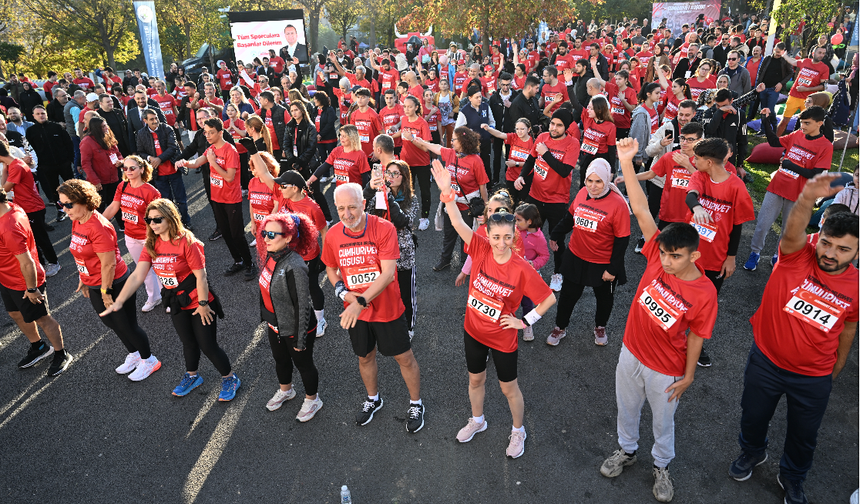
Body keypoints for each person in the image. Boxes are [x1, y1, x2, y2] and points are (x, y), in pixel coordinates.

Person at [600, 137, 718, 503]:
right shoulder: (655, 255)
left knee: (663, 424)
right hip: (631, 352)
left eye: (675, 256)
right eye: (663, 253)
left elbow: (697, 334)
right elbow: (639, 208)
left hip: (666, 370)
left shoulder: (704, 293)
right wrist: (626, 162)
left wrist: (689, 375)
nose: (665, 261)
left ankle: (662, 465)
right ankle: (627, 450)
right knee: (627, 409)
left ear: (695, 256)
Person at [729, 174, 858, 504]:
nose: (831, 253)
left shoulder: (856, 285)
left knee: (804, 436)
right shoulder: (797, 255)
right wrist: (806, 199)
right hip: (766, 362)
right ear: (819, 235)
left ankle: (792, 477)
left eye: (844, 249)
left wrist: (838, 364)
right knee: (753, 416)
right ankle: (752, 452)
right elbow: (792, 232)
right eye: (827, 243)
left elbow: (847, 328)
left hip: (813, 376)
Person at [430, 159, 555, 458]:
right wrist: (448, 194)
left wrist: (524, 322)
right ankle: (477, 420)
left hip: (502, 337)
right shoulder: (481, 247)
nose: (500, 244)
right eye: (496, 237)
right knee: (475, 379)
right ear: (488, 234)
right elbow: (459, 224)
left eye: (507, 238)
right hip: (473, 330)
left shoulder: (522, 268)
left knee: (508, 388)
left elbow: (549, 299)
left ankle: (518, 431)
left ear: (515, 237)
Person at [103, 199, 241, 401]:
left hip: (199, 301)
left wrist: (203, 305)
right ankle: (192, 376)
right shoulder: (152, 243)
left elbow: (201, 277)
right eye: (148, 219)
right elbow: (137, 276)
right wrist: (119, 300)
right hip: (177, 302)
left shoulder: (187, 242)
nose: (152, 224)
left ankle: (230, 378)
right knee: (188, 343)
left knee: (208, 345)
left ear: (170, 218)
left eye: (157, 219)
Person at [322, 183, 425, 433]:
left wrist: (359, 302)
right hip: (356, 311)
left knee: (403, 357)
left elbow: (389, 273)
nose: (347, 214)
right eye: (341, 208)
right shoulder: (334, 235)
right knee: (365, 356)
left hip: (386, 309)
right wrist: (341, 291)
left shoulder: (384, 228)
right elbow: (330, 268)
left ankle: (416, 403)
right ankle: (373, 399)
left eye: (352, 207)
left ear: (364, 204)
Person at [58, 179, 160, 381]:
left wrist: (106, 292)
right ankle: (135, 354)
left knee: (127, 325)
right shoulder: (76, 220)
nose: (65, 209)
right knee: (110, 322)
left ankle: (149, 360)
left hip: (114, 283)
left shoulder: (99, 227)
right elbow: (79, 252)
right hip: (94, 282)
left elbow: (108, 264)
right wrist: (83, 277)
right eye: (61, 204)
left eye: (69, 204)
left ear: (84, 201)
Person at [685, 138, 755, 367]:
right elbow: (690, 195)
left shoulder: (736, 187)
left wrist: (731, 258)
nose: (693, 162)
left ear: (707, 161)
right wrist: (697, 207)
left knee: (705, 305)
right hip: (689, 254)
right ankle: (673, 338)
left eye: (696, 159)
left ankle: (696, 344)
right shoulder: (701, 176)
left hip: (716, 259)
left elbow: (737, 226)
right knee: (679, 296)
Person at [547, 158, 630, 347]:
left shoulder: (618, 204)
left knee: (604, 298)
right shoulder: (582, 192)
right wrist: (555, 235)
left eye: (598, 181)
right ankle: (560, 327)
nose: (593, 186)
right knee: (568, 296)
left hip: (602, 263)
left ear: (606, 180)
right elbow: (570, 218)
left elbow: (622, 240)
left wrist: (613, 269)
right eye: (589, 181)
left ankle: (600, 326)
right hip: (576, 257)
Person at [743, 106, 833, 271]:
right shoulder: (798, 134)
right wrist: (765, 120)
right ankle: (754, 253)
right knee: (763, 223)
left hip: (799, 194)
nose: (802, 126)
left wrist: (790, 165)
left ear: (820, 123)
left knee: (788, 229)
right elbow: (774, 142)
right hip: (777, 186)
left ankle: (779, 255)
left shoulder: (826, 145)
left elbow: (815, 173)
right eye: (801, 122)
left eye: (807, 123)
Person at [254, 212, 323, 421]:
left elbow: (303, 305)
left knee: (304, 364)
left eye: (272, 234)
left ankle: (313, 400)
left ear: (289, 238)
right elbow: (265, 290)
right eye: (264, 232)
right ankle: (287, 390)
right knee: (280, 360)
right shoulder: (271, 255)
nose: (265, 238)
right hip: (275, 325)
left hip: (296, 328)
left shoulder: (295, 265)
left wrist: (300, 340)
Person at [0, 188, 72, 376]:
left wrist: (32, 289)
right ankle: (39, 347)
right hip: (7, 279)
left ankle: (61, 353)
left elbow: (27, 262)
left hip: (24, 282)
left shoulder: (9, 226)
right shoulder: (11, 207)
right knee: (15, 313)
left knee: (42, 318)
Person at [176, 118, 257, 280]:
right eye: (206, 132)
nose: (207, 135)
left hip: (231, 199)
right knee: (226, 233)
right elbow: (198, 162)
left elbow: (229, 177)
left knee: (237, 234)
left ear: (220, 133)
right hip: (217, 198)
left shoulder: (230, 150)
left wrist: (213, 162)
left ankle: (250, 264)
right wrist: (185, 162)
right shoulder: (210, 149)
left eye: (211, 132)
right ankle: (238, 261)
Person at [513, 109, 580, 292]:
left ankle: (558, 274)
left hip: (557, 201)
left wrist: (547, 153)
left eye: (559, 125)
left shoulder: (572, 143)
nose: (554, 128)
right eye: (552, 123)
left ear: (566, 128)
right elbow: (530, 160)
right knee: (527, 235)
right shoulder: (542, 137)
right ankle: (531, 268)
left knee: (556, 240)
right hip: (535, 196)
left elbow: (565, 171)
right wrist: (520, 176)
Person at [410, 127, 489, 271]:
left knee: (466, 237)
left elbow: (483, 186)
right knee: (449, 235)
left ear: (463, 141)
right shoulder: (451, 153)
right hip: (451, 203)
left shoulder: (476, 160)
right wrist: (422, 142)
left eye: (454, 139)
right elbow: (437, 148)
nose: (451, 142)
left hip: (467, 207)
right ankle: (445, 260)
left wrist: (486, 208)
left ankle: (466, 265)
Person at [268, 168, 329, 337]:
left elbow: (324, 231)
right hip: (286, 254)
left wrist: (326, 256)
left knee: (311, 287)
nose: (280, 189)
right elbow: (265, 175)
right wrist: (253, 152)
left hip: (308, 256)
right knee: (289, 288)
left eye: (284, 186)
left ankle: (321, 320)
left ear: (295, 188)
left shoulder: (312, 208)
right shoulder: (283, 196)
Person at [364, 160, 419, 338]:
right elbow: (363, 210)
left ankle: (409, 328)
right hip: (381, 254)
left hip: (403, 255)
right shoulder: (378, 194)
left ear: (404, 177)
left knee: (405, 295)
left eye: (396, 173)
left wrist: (389, 197)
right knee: (385, 293)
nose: (391, 177)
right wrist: (370, 188)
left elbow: (403, 221)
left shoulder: (412, 199)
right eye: (389, 173)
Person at [102, 156, 163, 312]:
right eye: (125, 168)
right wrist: (98, 222)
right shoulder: (122, 186)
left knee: (160, 267)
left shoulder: (151, 192)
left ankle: (169, 297)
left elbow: (159, 217)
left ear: (141, 169)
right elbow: (113, 207)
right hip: (130, 236)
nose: (128, 171)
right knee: (143, 269)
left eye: (132, 168)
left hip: (149, 237)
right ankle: (154, 297)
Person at [0, 141, 61, 276]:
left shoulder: (16, 166)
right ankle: (42, 264)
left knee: (40, 238)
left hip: (32, 207)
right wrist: (5, 168)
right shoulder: (13, 164)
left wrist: (5, 170)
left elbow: (4, 190)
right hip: (26, 207)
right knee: (32, 238)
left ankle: (54, 263)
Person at [135, 109, 192, 229]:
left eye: (156, 118)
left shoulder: (167, 128)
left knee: (181, 199)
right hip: (158, 174)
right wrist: (151, 158)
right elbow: (140, 152)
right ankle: (173, 224)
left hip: (173, 170)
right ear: (145, 121)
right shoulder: (140, 133)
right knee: (166, 202)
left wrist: (159, 159)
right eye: (152, 119)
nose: (155, 121)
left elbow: (173, 148)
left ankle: (186, 221)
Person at [25, 106, 75, 223]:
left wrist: (70, 159)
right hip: (46, 166)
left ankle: (77, 205)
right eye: (38, 114)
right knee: (54, 189)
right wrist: (38, 166)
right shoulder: (31, 131)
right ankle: (61, 210)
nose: (41, 115)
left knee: (71, 185)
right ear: (33, 116)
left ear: (46, 114)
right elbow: (30, 150)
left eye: (43, 113)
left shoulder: (56, 127)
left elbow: (68, 143)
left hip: (64, 163)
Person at [394, 96, 432, 228]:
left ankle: (424, 217)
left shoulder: (422, 123)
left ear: (416, 107)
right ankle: (407, 216)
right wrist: (389, 136)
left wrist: (412, 139)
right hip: (406, 162)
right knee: (407, 190)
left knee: (425, 191)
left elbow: (426, 147)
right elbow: (402, 132)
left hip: (422, 164)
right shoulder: (404, 119)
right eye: (404, 106)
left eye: (409, 107)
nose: (406, 109)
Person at [776, 47, 831, 136]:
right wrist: (784, 55)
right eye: (819, 52)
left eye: (823, 53)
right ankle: (774, 141)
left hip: (809, 100)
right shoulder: (805, 61)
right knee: (784, 121)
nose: (821, 55)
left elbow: (823, 87)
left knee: (806, 123)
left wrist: (807, 89)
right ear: (813, 53)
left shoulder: (824, 68)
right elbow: (793, 62)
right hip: (794, 95)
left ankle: (803, 143)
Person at [481, 119, 534, 203]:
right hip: (511, 176)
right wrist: (488, 128)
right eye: (517, 129)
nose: (519, 131)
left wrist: (516, 164)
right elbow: (500, 134)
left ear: (529, 129)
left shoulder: (533, 142)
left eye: (522, 129)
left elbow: (533, 162)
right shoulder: (514, 137)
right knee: (511, 201)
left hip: (525, 178)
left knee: (522, 202)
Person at [80, 115, 123, 217]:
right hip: (100, 182)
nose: (106, 128)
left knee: (116, 203)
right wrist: (95, 181)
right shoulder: (87, 142)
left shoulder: (108, 136)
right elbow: (86, 164)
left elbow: (118, 153)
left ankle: (121, 225)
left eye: (106, 125)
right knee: (100, 207)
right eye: (103, 126)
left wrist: (121, 161)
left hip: (114, 178)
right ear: (96, 128)